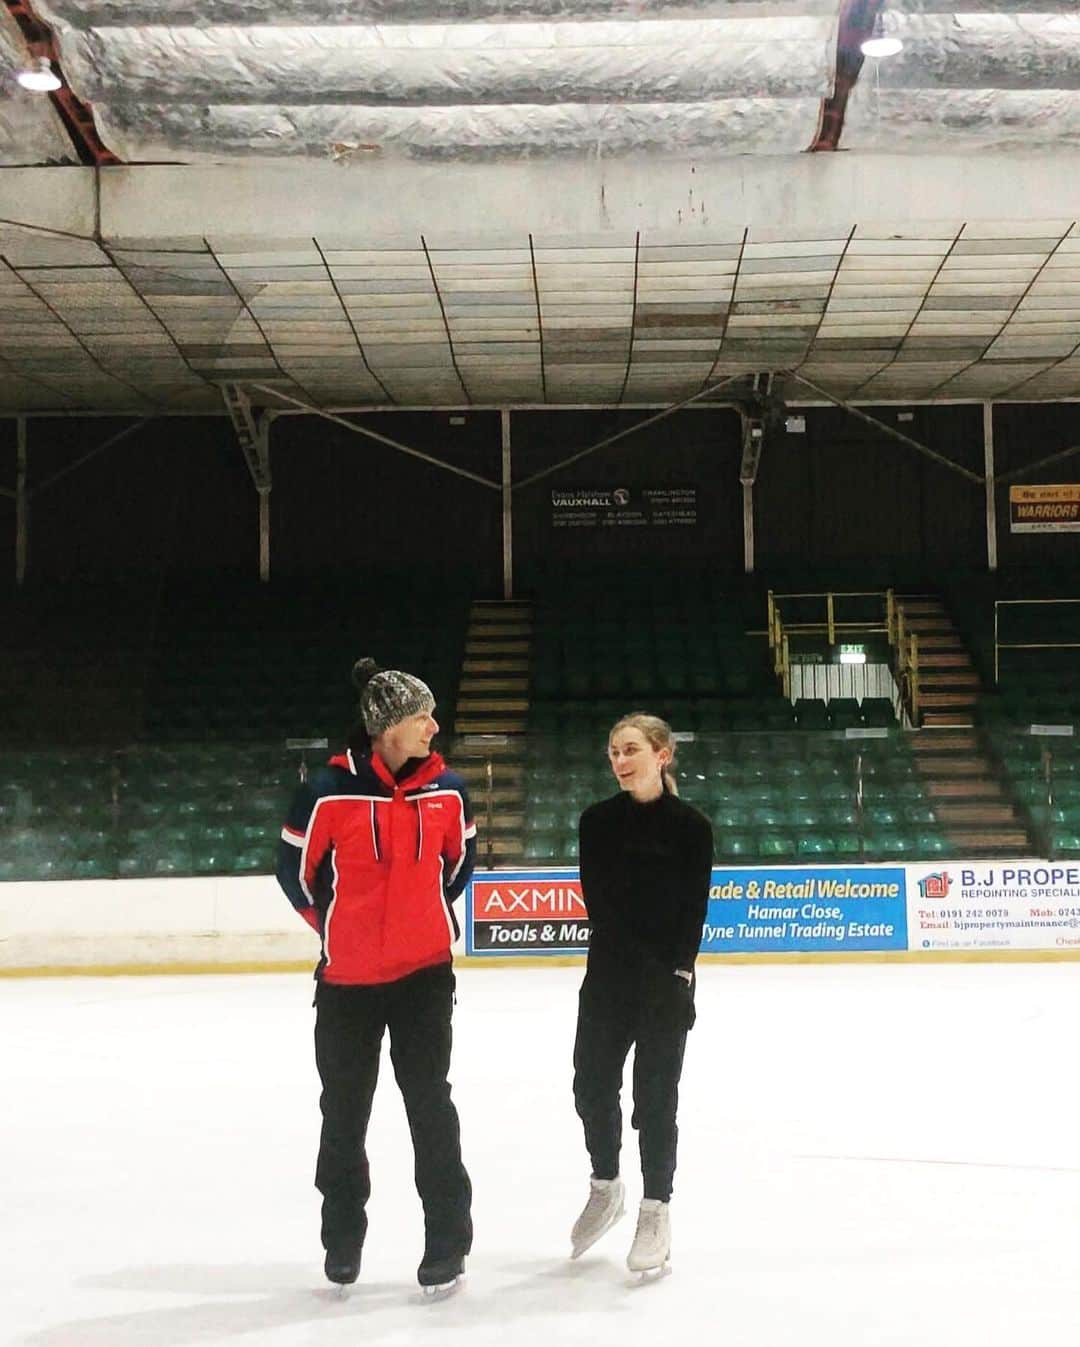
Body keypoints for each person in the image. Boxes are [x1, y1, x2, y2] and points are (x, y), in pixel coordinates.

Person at [276, 657, 477, 1294]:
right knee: (343, 1115)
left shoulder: (450, 792)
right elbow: (296, 876)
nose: (435, 728)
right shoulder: (324, 795)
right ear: (389, 727)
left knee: (430, 1106)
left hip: (424, 978)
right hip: (347, 986)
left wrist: (424, 923)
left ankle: (447, 1239)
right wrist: (341, 932)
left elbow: (458, 867)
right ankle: (342, 1237)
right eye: (424, 716)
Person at [570, 712, 713, 1275]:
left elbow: (692, 912)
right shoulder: (596, 822)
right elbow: (601, 906)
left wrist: (677, 975)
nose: (620, 761)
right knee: (590, 1086)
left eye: (630, 750)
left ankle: (656, 1208)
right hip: (607, 978)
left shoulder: (692, 827)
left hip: (664, 984)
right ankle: (606, 1186)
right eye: (612, 752)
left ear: (662, 754)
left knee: (656, 1101)